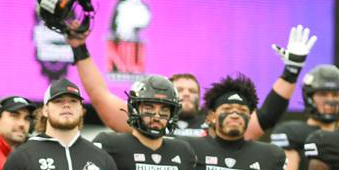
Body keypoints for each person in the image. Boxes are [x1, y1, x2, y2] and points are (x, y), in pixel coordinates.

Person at [67, 24, 317, 140]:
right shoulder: (144, 120)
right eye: (180, 90)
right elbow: (100, 97)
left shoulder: (214, 125)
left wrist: (291, 71)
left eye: (192, 90)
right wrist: (79, 46)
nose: (186, 93)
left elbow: (266, 116)